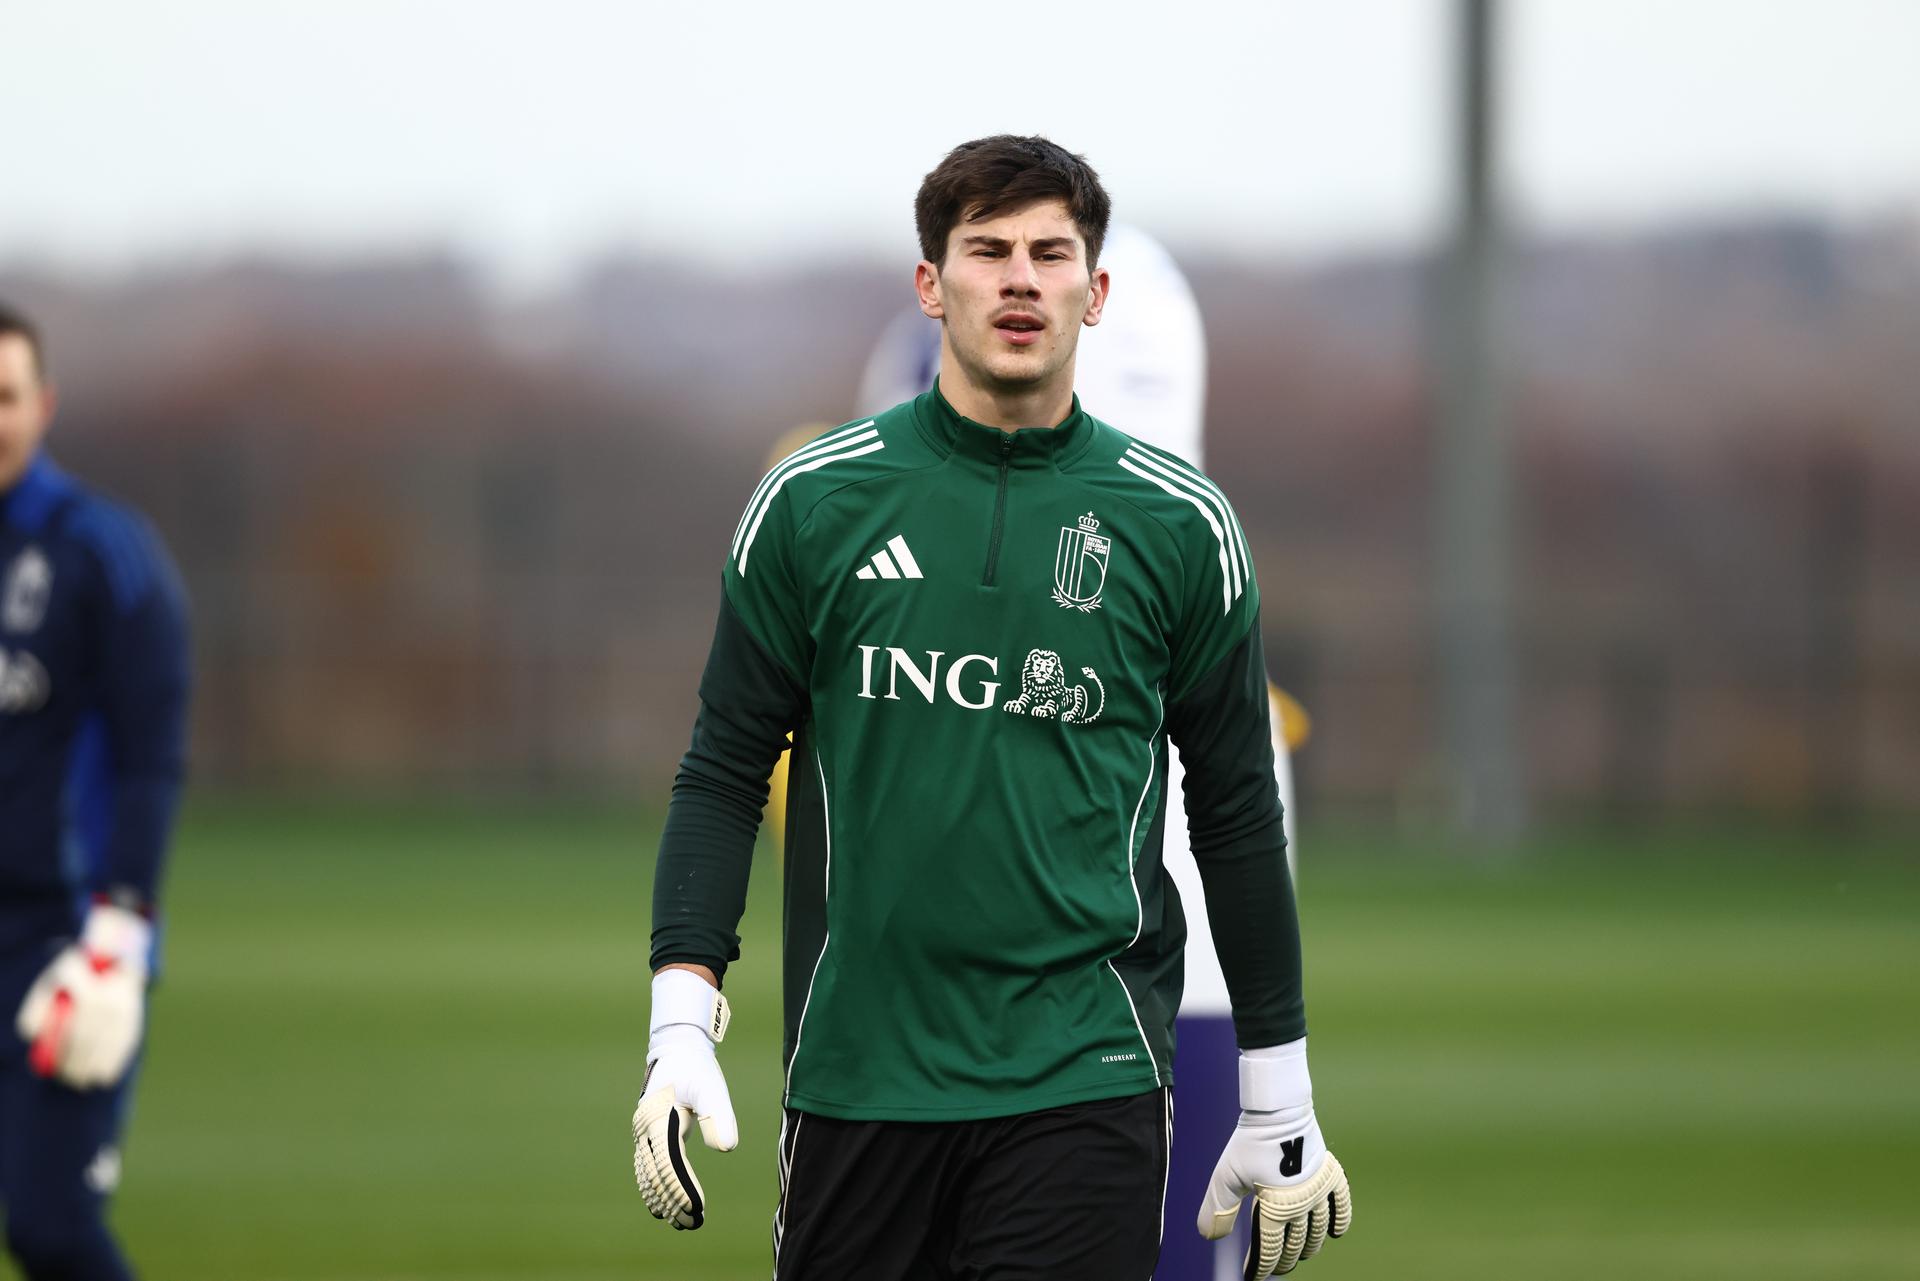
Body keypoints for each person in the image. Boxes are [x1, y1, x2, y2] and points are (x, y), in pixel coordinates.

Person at [632, 136, 1352, 1279]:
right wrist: (681, 1020)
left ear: (1095, 290)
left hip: (1084, 1082)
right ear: (932, 286)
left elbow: (1234, 818)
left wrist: (1279, 1094)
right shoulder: (814, 504)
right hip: (856, 1081)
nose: (1021, 279)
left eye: (1051, 253)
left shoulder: (1179, 526)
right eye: (988, 251)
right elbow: (721, 770)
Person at [0, 302, 192, 1281]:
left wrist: (116, 940)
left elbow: (150, 758)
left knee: (49, 1226)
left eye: (4, 396)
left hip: (60, 943)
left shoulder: (101, 554)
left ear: (45, 406)